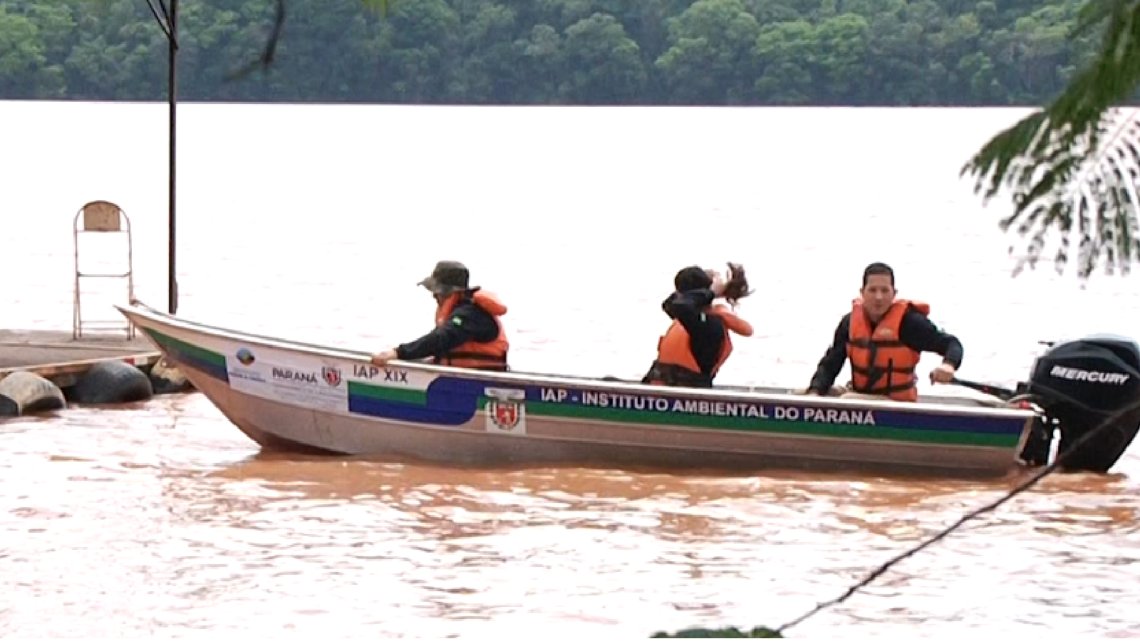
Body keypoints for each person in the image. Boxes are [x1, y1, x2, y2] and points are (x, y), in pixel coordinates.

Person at [804, 262, 961, 401]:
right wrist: (815, 391)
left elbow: (951, 343)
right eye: (872, 290)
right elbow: (831, 364)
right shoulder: (849, 323)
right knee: (803, 394)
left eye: (885, 290)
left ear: (894, 293)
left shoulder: (910, 323)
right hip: (859, 395)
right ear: (862, 292)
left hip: (895, 404)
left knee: (847, 398)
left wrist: (948, 366)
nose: (879, 297)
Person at [370, 260, 509, 371]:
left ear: (447, 292)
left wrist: (398, 353)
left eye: (436, 291)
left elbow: (441, 338)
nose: (433, 295)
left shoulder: (469, 314)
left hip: (479, 379)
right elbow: (436, 339)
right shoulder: (459, 311)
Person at [641, 265, 754, 388]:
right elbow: (669, 304)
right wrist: (711, 291)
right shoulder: (688, 318)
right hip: (662, 391)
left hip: (683, 395)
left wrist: (711, 292)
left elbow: (680, 305)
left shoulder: (707, 325)